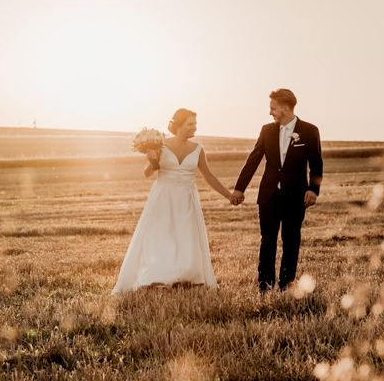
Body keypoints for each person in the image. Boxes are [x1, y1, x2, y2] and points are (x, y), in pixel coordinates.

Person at [112, 109, 236, 293]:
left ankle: (186, 276)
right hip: (163, 196)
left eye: (195, 124)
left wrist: (228, 195)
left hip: (187, 198)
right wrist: (151, 160)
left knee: (186, 237)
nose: (194, 127)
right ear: (179, 126)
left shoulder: (198, 148)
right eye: (190, 124)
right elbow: (147, 173)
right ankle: (159, 275)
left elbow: (209, 176)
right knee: (161, 236)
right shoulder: (161, 145)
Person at [230, 89, 323, 292]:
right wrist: (239, 188)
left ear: (285, 109)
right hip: (269, 194)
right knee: (267, 239)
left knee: (291, 240)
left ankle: (286, 284)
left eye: (273, 108)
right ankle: (265, 285)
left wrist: (313, 189)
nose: (270, 112)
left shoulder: (309, 130)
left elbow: (316, 163)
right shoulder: (267, 130)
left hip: (295, 195)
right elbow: (253, 160)